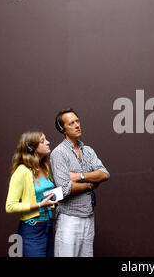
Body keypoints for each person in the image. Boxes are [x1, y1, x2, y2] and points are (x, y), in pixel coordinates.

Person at [50, 108, 110, 257]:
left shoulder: (88, 151)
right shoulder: (58, 153)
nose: (77, 125)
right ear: (63, 129)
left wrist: (80, 176)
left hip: (88, 216)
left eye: (77, 121)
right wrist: (90, 184)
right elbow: (64, 189)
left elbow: (104, 174)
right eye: (71, 123)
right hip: (68, 218)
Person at [5, 131, 58, 257]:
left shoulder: (44, 167)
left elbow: (45, 194)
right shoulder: (21, 171)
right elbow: (10, 206)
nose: (48, 142)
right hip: (32, 231)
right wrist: (39, 205)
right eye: (42, 141)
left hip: (48, 227)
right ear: (31, 148)